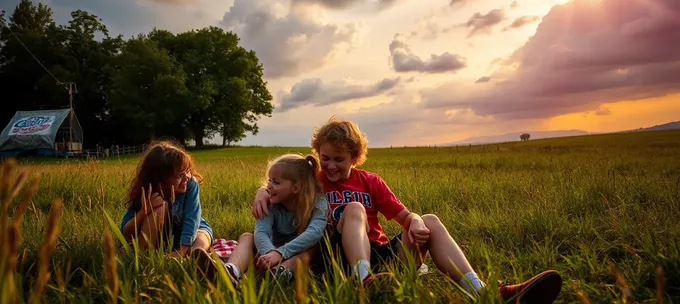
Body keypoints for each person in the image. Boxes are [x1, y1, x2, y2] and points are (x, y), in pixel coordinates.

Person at [252, 117, 563, 302]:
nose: (331, 165)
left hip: (381, 258)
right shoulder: (313, 180)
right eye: (326, 158)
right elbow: (281, 185)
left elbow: (405, 215)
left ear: (355, 158)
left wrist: (414, 224)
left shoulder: (370, 181)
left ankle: (483, 293)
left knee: (428, 219)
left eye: (339, 159)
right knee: (355, 208)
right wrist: (261, 192)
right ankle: (362, 281)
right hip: (334, 260)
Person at [201, 154, 329, 285]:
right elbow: (261, 232)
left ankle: (281, 272)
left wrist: (281, 253)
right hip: (269, 251)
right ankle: (231, 270)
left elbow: (314, 232)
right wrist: (270, 254)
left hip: (298, 251)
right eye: (269, 181)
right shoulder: (269, 203)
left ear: (296, 187)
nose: (269, 186)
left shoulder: (317, 202)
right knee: (247, 236)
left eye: (276, 182)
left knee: (313, 247)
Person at [120, 141, 213, 256]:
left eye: (187, 171)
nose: (187, 177)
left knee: (202, 237)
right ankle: (141, 254)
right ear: (160, 179)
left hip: (192, 231)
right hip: (161, 236)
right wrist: (144, 211)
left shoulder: (191, 184)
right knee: (158, 209)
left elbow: (192, 218)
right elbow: (125, 231)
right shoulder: (146, 192)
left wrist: (183, 248)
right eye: (179, 175)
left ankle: (195, 256)